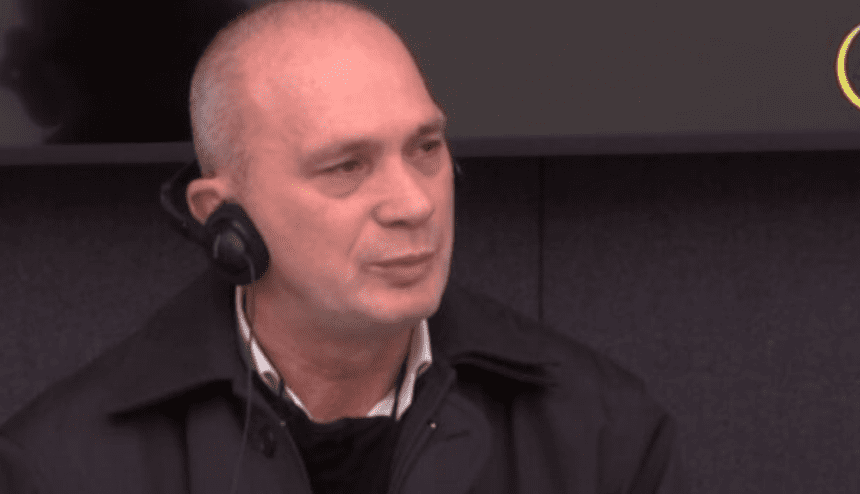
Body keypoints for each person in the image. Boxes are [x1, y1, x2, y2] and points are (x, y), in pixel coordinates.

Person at [0, 1, 689, 492]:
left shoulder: (601, 433)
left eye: (426, 148)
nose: (414, 204)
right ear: (223, 218)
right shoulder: (62, 467)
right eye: (346, 166)